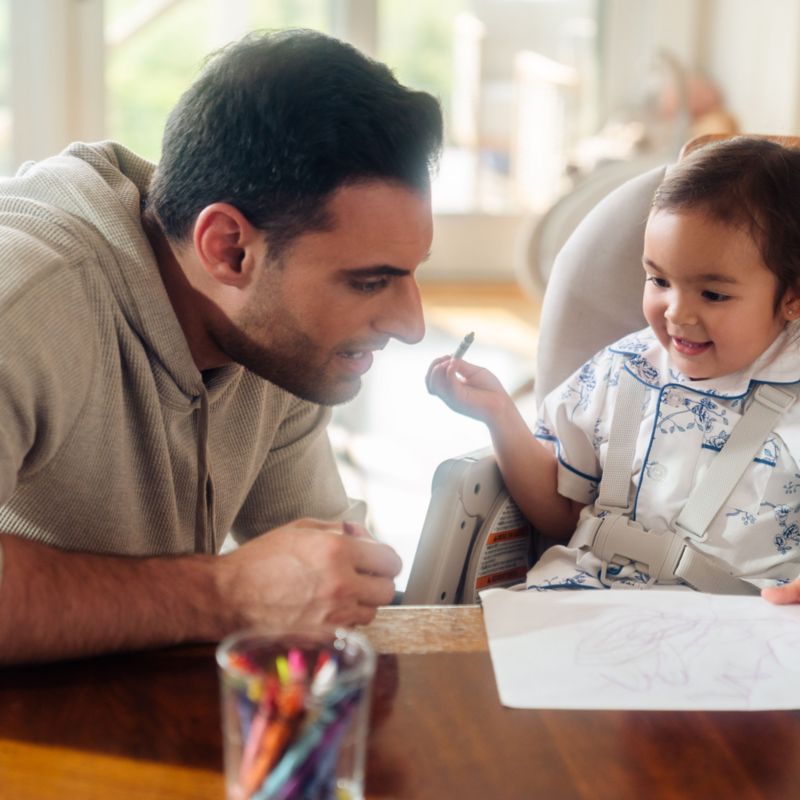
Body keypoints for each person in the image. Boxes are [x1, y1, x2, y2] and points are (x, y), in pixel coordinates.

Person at [0, 28, 443, 664]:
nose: (411, 324)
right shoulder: (26, 295)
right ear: (229, 249)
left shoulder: (270, 341)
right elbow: (238, 596)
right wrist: (223, 594)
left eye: (412, 272)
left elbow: (325, 573)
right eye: (370, 281)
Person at [427, 136, 800, 599]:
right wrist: (498, 414)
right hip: (587, 598)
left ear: (791, 297)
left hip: (740, 626)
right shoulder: (621, 372)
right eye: (659, 280)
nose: (677, 313)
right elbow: (561, 514)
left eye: (713, 294)